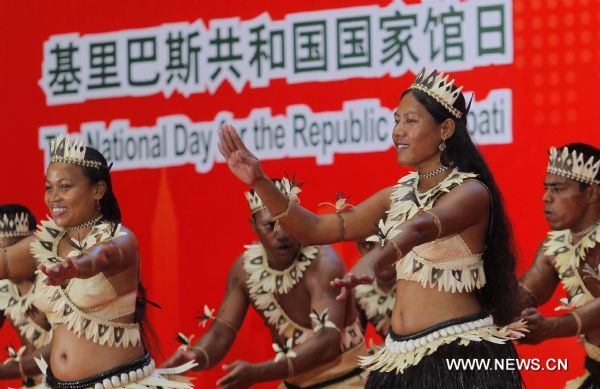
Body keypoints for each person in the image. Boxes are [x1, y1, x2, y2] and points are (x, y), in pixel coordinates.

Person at [218, 67, 526, 388]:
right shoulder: (397, 194)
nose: (397, 131)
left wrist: (375, 256)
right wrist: (260, 181)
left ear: (445, 129)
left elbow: (421, 227)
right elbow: (315, 229)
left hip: (456, 353)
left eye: (410, 121)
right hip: (399, 359)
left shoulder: (471, 192)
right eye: (396, 120)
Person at [0, 134, 195, 388]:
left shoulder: (121, 238)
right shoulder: (43, 243)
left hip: (117, 383)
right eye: (49, 187)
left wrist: (75, 266)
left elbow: (101, 255)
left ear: (98, 190)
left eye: (65, 186)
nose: (53, 197)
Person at [163, 179, 367, 389]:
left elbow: (328, 342)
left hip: (349, 380)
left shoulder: (324, 261)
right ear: (253, 225)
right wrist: (194, 357)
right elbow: (220, 333)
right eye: (270, 225)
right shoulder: (244, 270)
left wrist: (259, 373)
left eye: (288, 222)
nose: (282, 233)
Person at [519, 143, 600, 388]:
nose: (546, 197)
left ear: (591, 194)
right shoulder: (554, 248)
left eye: (558, 188)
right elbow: (518, 299)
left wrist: (551, 327)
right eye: (546, 188)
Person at [0, 204, 52, 387]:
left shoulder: (54, 282)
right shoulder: (3, 287)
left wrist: (11, 369)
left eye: (10, 248)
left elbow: (63, 350)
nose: (6, 258)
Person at [354, 238, 396, 339]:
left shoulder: (422, 279)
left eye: (388, 243)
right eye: (368, 245)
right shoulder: (360, 291)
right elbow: (355, 345)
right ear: (358, 249)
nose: (380, 255)